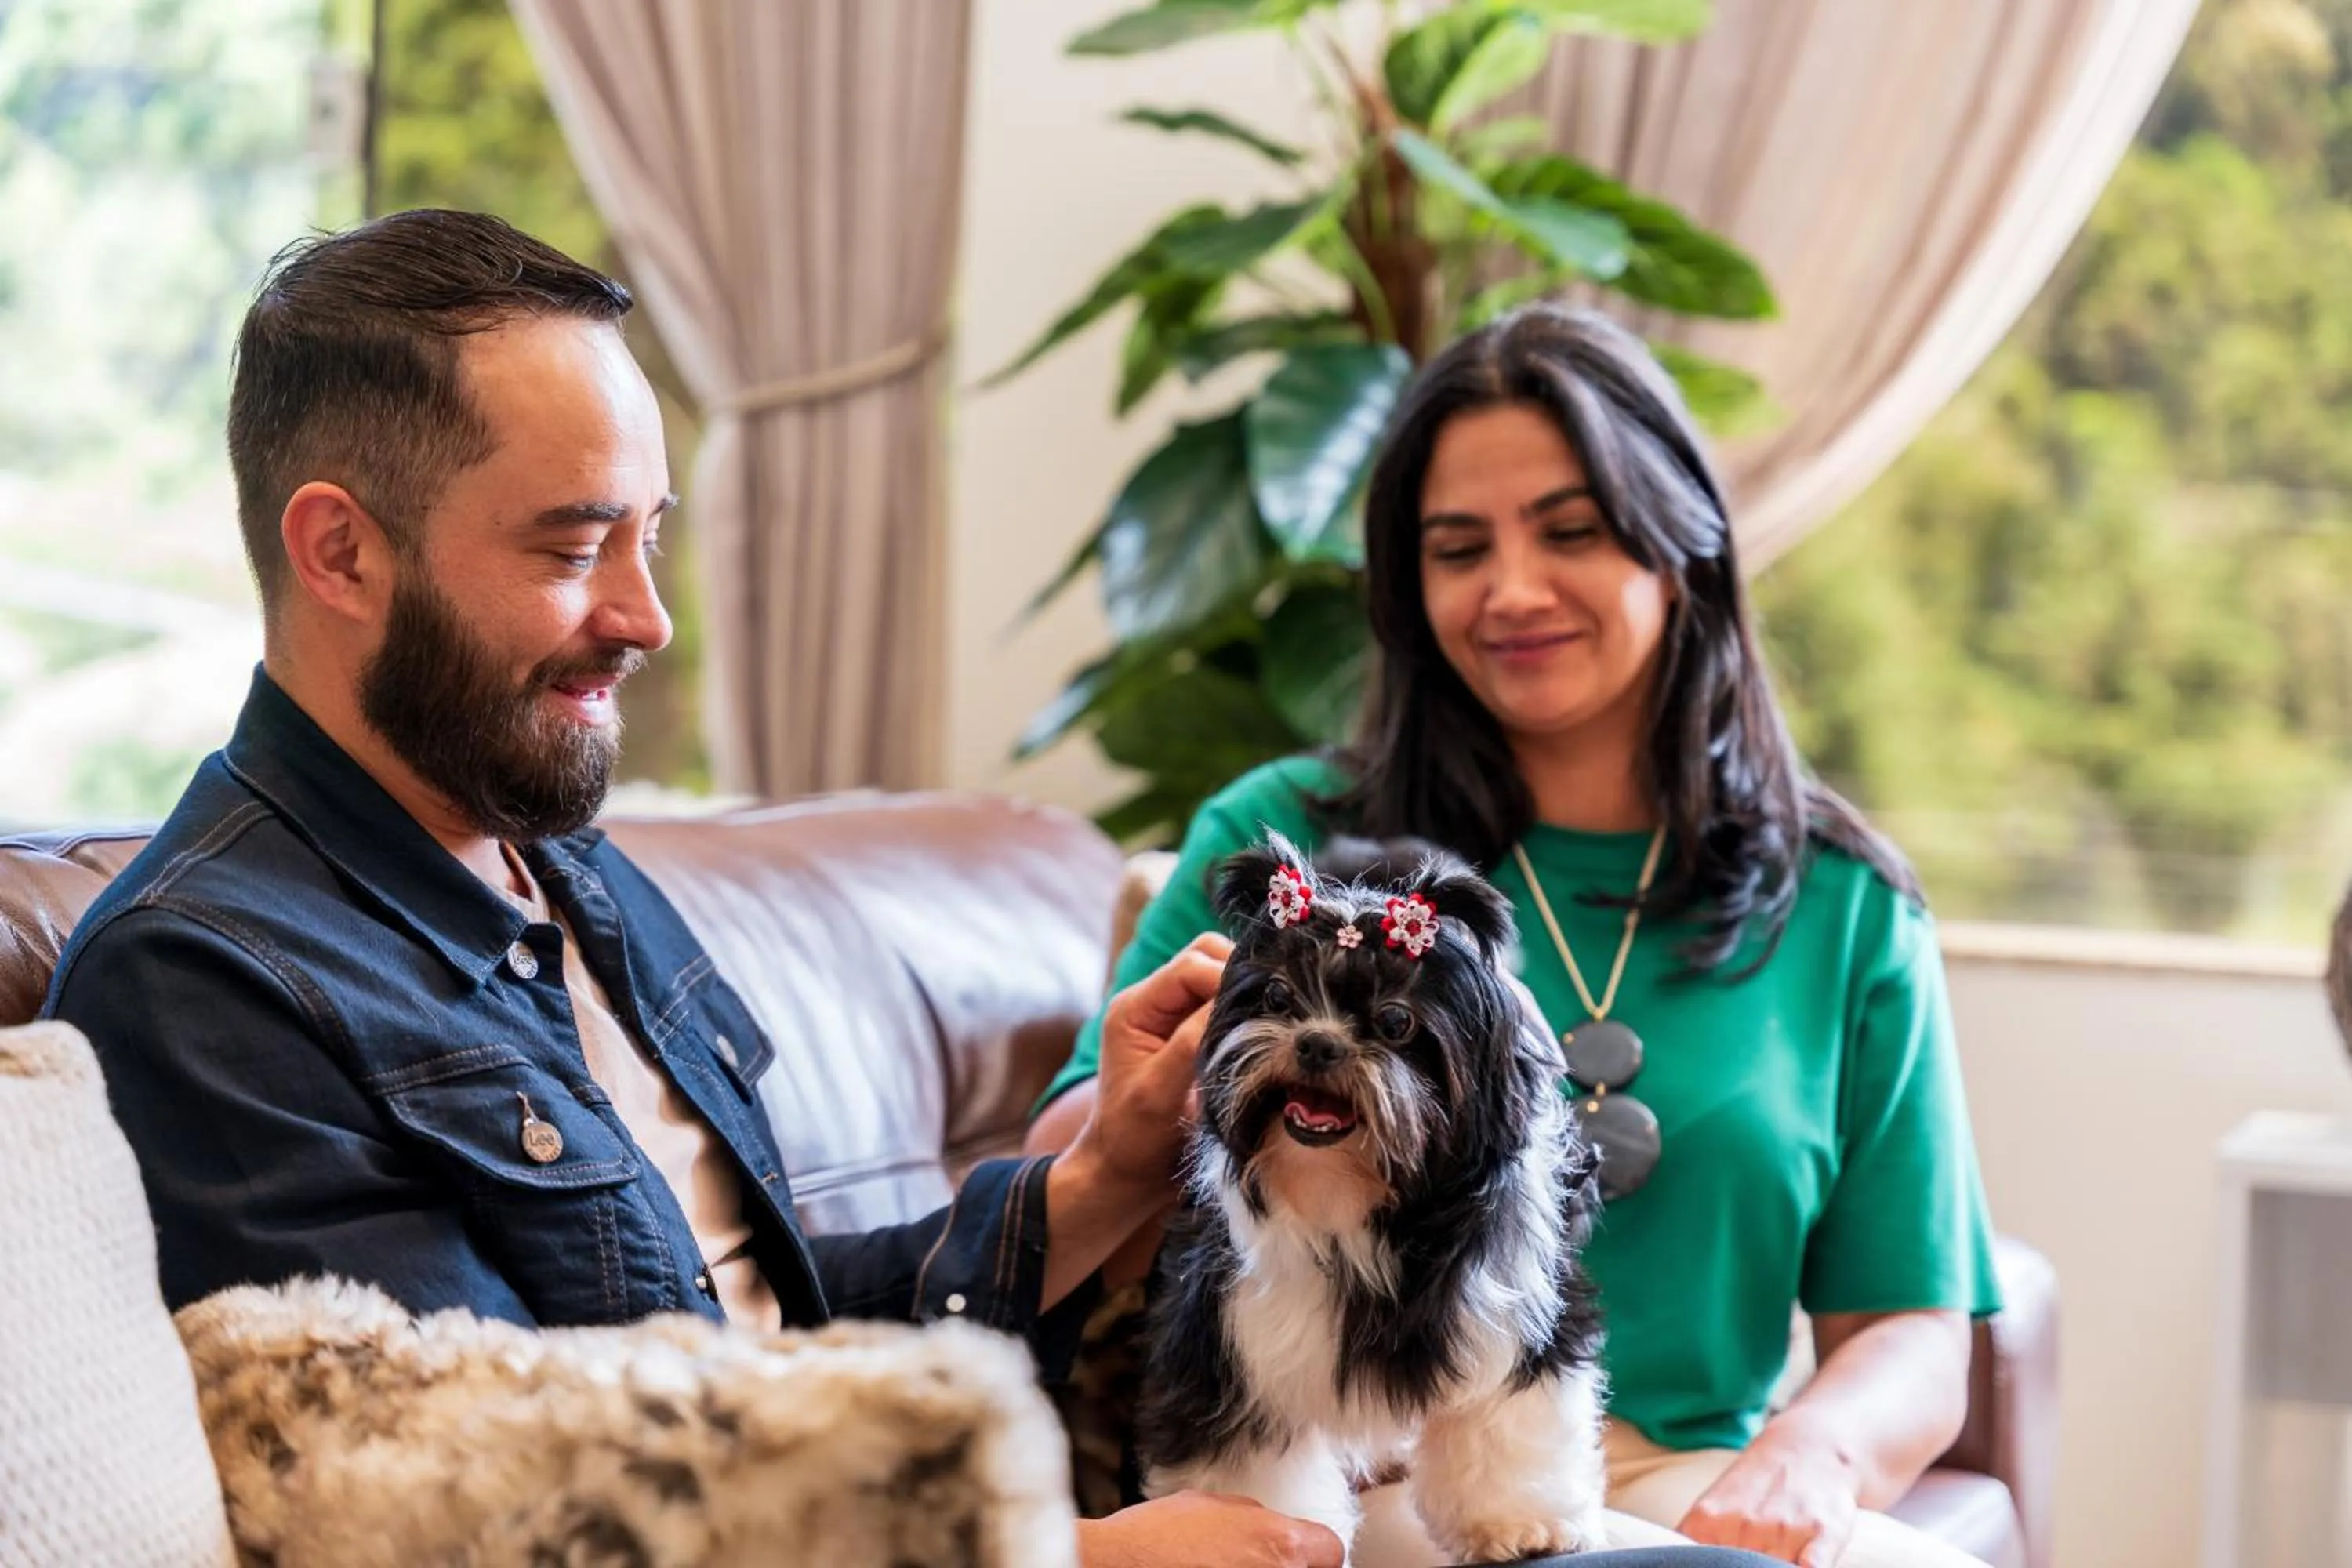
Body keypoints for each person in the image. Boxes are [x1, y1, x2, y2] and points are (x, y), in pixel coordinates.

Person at [42, 212, 1773, 1568]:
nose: (647, 618)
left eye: (653, 537)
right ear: (340, 549)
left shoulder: (556, 864)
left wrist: (1096, 1179)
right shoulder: (206, 984)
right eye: (577, 547)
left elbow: (756, 1334)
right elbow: (477, 1511)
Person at [1029, 305, 2004, 1568]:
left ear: (1679, 547)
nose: (1513, 591)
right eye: (1457, 548)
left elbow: (1914, 1328)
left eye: (1571, 531)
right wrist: (1159, 1098)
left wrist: (1810, 1458)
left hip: (1677, 1479)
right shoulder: (1284, 839)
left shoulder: (1840, 901)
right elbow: (1065, 1195)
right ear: (1407, 582)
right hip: (1353, 1464)